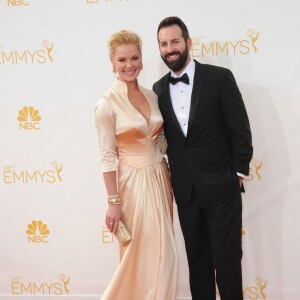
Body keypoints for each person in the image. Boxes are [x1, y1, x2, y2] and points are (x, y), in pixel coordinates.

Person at [153, 17, 253, 300]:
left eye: (174, 41)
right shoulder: (157, 90)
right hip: (185, 194)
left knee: (228, 266)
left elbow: (240, 129)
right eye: (164, 44)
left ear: (188, 42)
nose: (170, 48)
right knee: (198, 266)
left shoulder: (219, 78)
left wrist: (238, 174)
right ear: (159, 49)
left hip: (222, 190)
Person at [95, 30, 177, 300]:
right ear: (112, 62)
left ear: (142, 59)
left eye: (134, 58)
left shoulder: (152, 95)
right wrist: (113, 201)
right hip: (132, 184)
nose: (129, 65)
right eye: (122, 60)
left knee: (165, 252)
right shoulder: (107, 103)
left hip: (160, 178)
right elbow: (107, 155)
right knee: (139, 252)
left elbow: (159, 135)